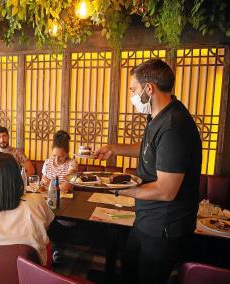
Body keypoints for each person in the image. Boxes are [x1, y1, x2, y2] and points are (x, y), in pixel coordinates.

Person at [94, 59, 202, 284]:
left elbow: (166, 190)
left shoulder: (173, 126)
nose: (132, 96)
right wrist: (115, 148)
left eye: (133, 90)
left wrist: (119, 189)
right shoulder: (157, 117)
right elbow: (150, 150)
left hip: (164, 226)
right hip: (147, 219)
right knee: (129, 269)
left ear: (149, 88)